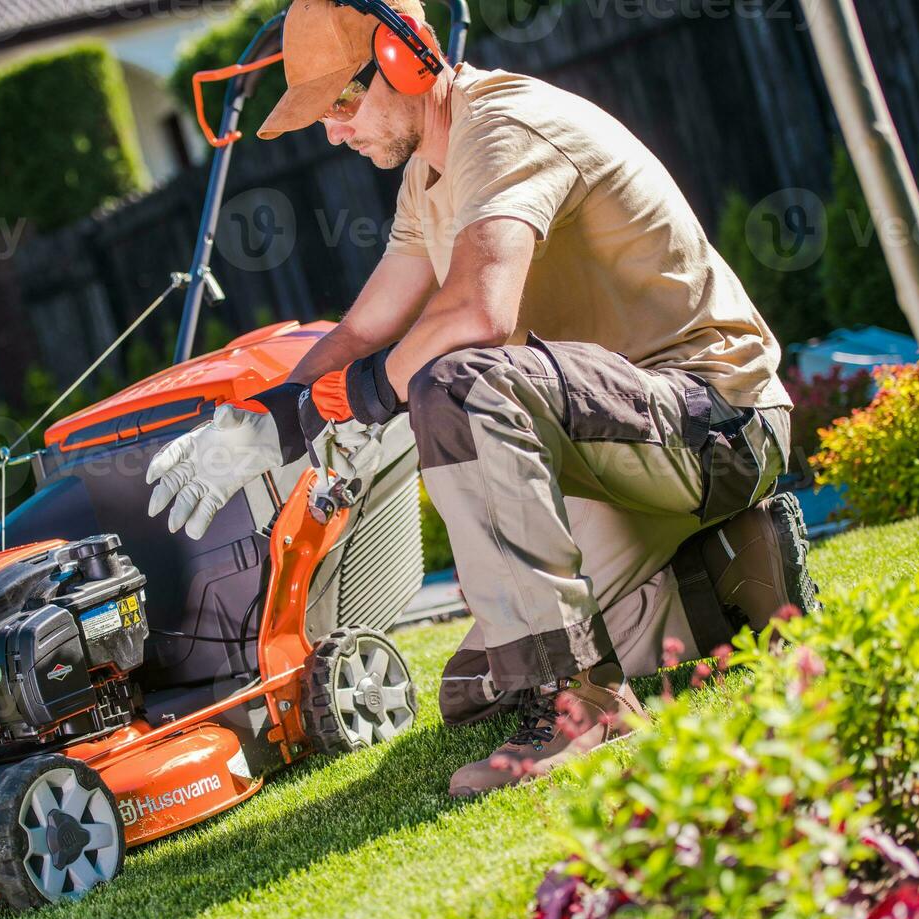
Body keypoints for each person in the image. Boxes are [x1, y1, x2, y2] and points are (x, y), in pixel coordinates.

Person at [147, 0, 818, 798]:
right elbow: (364, 329)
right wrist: (264, 420)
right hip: (618, 440)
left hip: (715, 420)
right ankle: (740, 569)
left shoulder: (504, 129)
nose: (333, 132)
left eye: (341, 103)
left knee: (459, 382)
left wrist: (342, 405)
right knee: (477, 686)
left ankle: (587, 706)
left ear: (405, 59)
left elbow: (477, 313)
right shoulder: (426, 175)